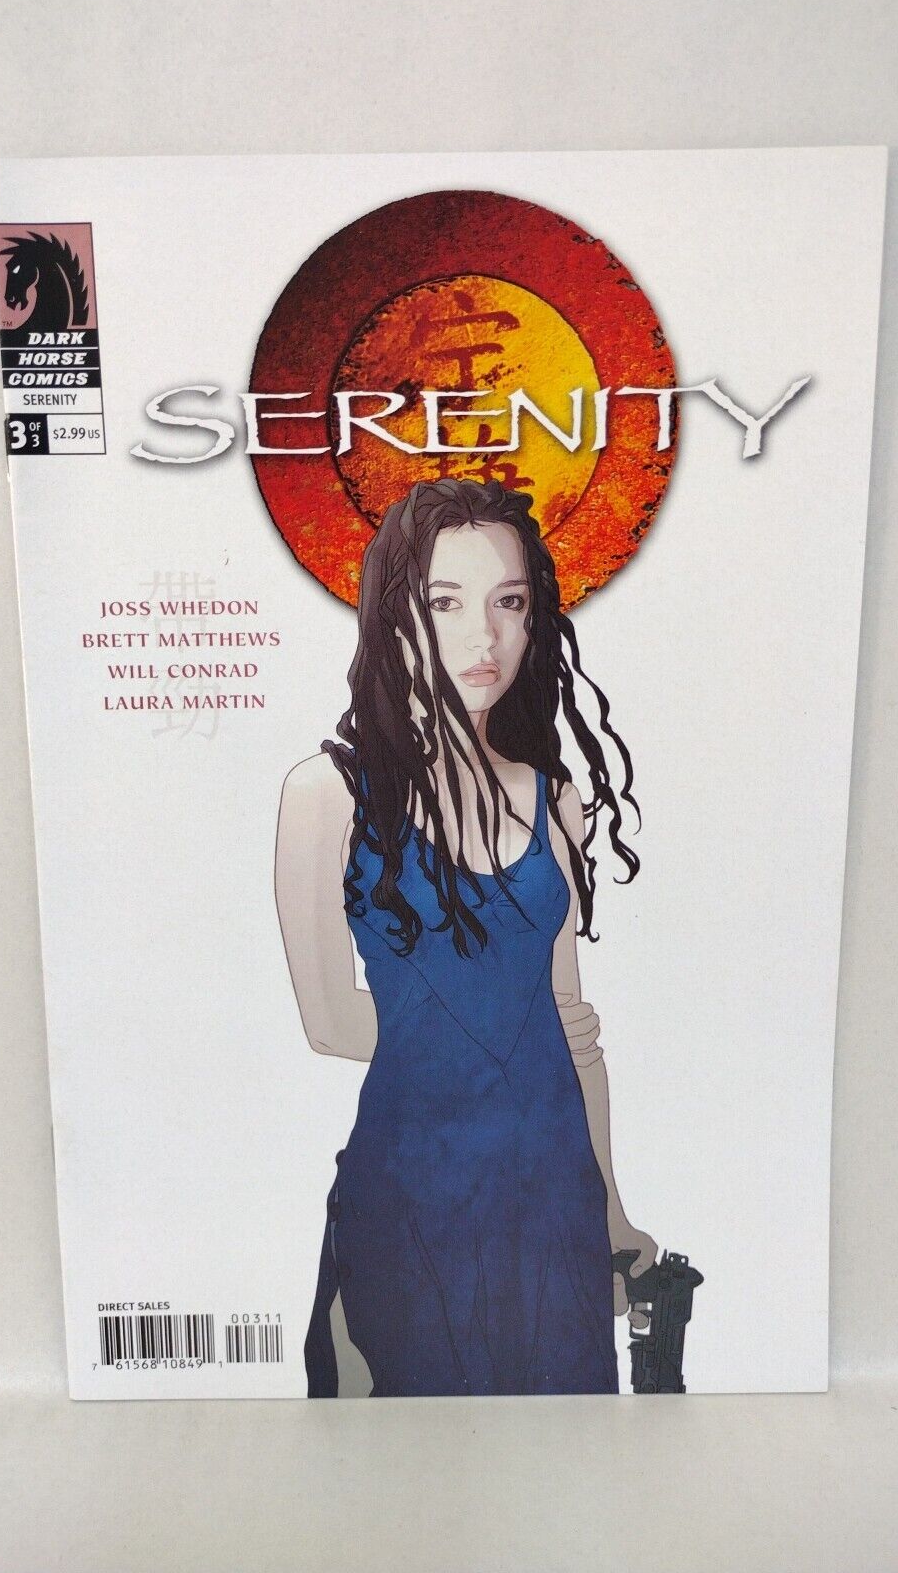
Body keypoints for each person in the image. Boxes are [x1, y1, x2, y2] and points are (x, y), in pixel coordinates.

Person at [275, 476, 656, 1397]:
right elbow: (329, 1025)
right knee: (399, 1463)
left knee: (568, 1459)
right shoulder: (325, 795)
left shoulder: (554, 798)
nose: (484, 637)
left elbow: (575, 1032)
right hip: (412, 1194)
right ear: (394, 615)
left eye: (509, 602)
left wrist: (611, 1212)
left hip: (554, 1197)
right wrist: (508, 1045)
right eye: (446, 602)